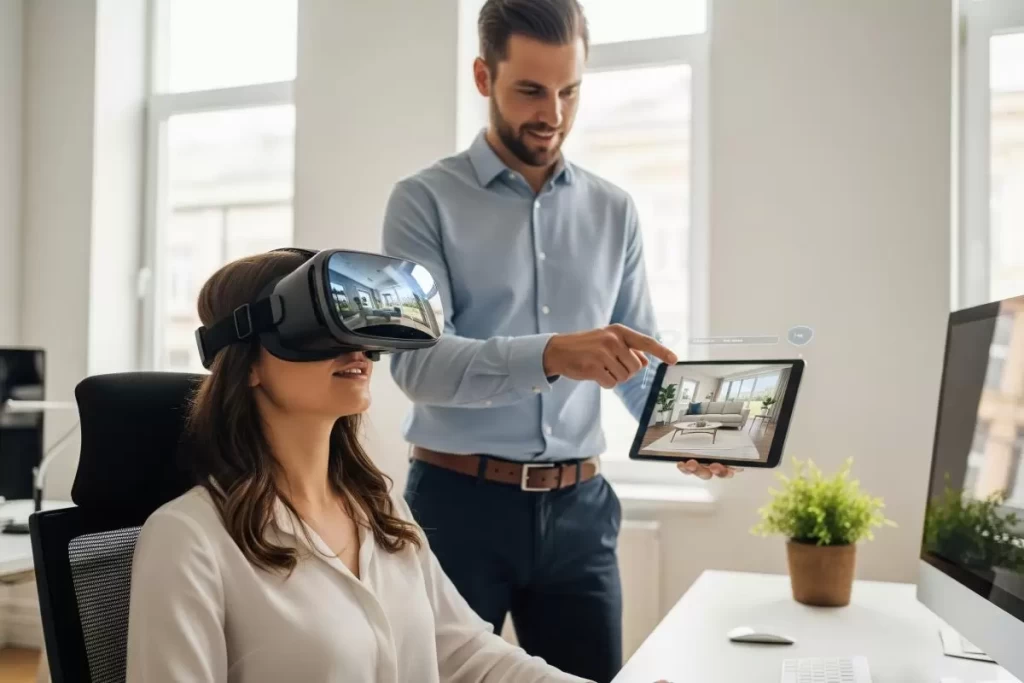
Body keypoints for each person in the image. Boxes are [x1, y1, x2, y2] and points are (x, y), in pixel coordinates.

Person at [381, 1, 737, 681]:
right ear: (484, 77)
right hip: (459, 509)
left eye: (570, 90)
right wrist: (551, 353)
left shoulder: (615, 211)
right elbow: (417, 364)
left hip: (581, 515)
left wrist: (690, 431)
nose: (554, 113)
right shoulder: (423, 202)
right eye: (531, 91)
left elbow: (631, 367)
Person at [123, 249, 599, 683]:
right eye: (318, 328)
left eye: (356, 325)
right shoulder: (189, 538)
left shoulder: (380, 508)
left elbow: (465, 652)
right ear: (247, 364)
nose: (356, 350)